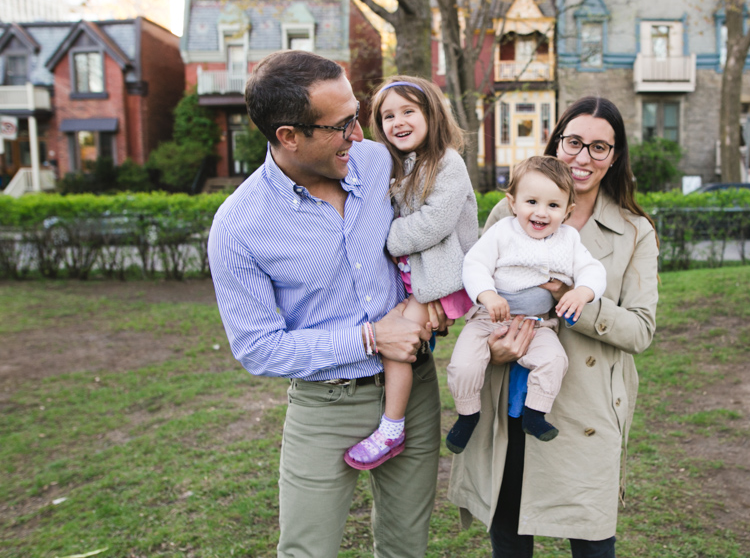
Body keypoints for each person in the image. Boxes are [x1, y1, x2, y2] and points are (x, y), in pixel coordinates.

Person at [207, 50, 447, 558]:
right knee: (306, 551)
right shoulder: (238, 226)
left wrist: (431, 302)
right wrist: (369, 337)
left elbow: (430, 238)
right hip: (325, 406)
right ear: (289, 136)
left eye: (357, 115)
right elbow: (257, 348)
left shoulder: (377, 162)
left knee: (407, 547)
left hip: (414, 390)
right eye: (342, 126)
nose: (359, 134)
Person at [447, 97, 660, 557]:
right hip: (511, 402)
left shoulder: (634, 230)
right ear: (557, 140)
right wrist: (499, 346)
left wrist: (567, 299)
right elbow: (479, 292)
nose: (583, 158)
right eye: (574, 141)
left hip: (585, 413)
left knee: (591, 547)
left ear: (615, 156)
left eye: (599, 148)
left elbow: (641, 330)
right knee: (509, 542)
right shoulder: (508, 215)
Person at [343, 75, 478, 470]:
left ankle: (392, 426)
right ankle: (397, 417)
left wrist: (379, 238)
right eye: (387, 116)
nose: (397, 121)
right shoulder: (397, 164)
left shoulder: (448, 163)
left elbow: (433, 224)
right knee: (399, 336)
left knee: (397, 340)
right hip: (417, 279)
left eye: (408, 111)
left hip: (444, 279)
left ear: (431, 114)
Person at [445, 156, 607, 453]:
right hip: (489, 318)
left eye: (553, 206)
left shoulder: (569, 239)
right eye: (531, 201)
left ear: (568, 211)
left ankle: (535, 413)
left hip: (537, 323)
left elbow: (593, 270)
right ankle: (467, 415)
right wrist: (487, 294)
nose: (541, 213)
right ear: (513, 202)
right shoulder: (503, 231)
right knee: (464, 364)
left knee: (555, 360)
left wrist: (582, 292)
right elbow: (475, 263)